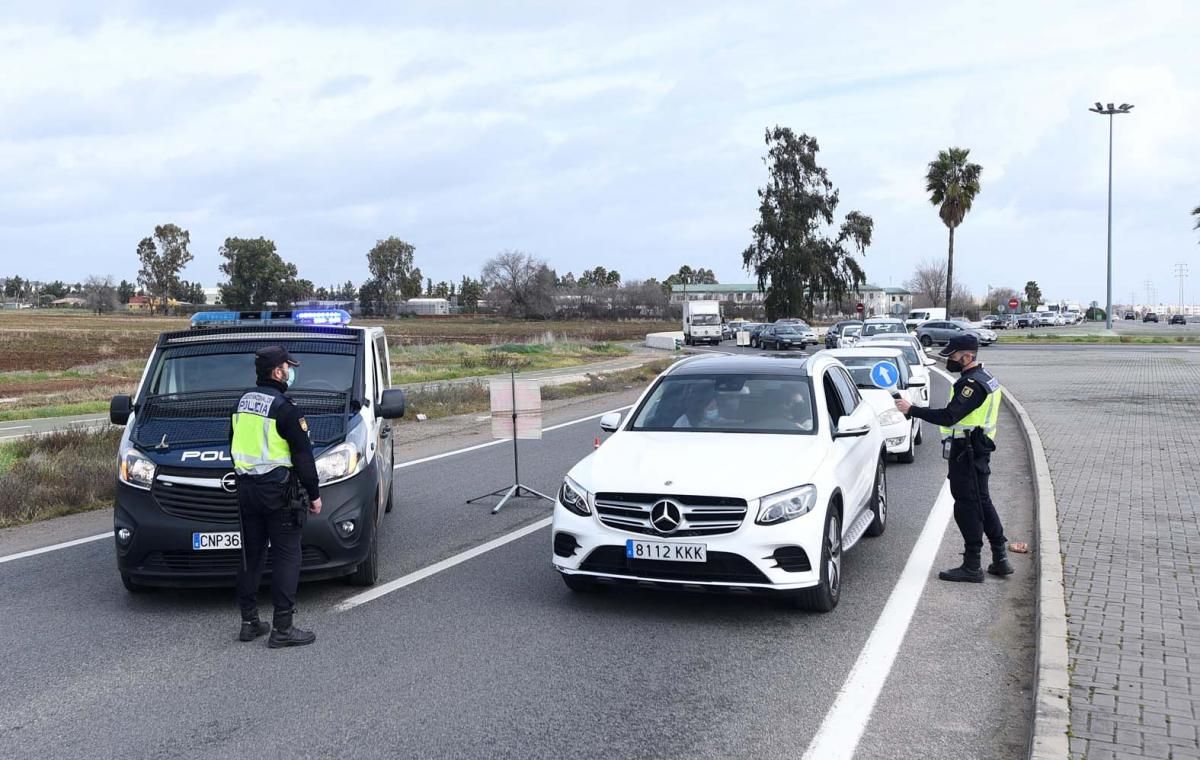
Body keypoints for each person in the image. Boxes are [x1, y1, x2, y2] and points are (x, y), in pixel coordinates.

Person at [895, 334, 1013, 583]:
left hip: (967, 452)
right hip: (977, 448)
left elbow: (950, 416)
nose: (949, 360)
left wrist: (911, 410)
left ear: (968, 357)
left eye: (953, 356)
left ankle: (972, 565)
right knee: (982, 502)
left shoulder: (972, 385)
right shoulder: (987, 378)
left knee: (967, 506)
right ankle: (1000, 558)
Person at [229, 346, 322, 647]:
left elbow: (233, 442)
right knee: (286, 555)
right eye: (286, 366)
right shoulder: (285, 408)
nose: (290, 371)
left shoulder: (242, 402)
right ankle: (282, 628)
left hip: (245, 488)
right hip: (278, 491)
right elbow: (303, 457)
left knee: (251, 555)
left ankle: (249, 622)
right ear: (277, 372)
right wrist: (315, 494)